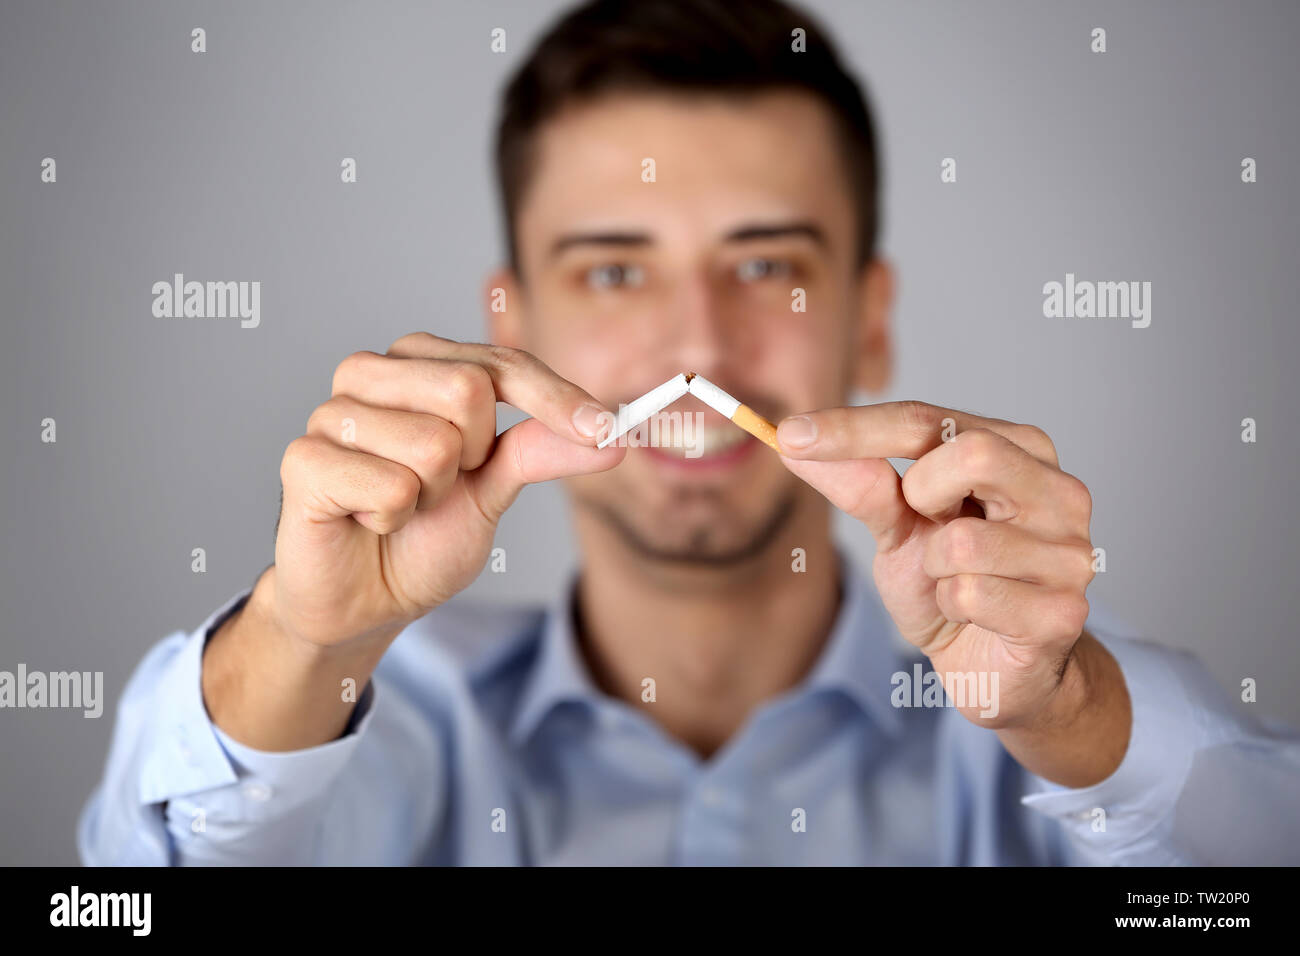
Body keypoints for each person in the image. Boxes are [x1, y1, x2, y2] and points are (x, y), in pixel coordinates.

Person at [78, 0, 1299, 865]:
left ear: (867, 326)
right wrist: (301, 637)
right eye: (614, 272)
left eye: (766, 265)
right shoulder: (376, 734)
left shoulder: (1046, 705)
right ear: (513, 322)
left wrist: (1076, 721)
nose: (697, 348)